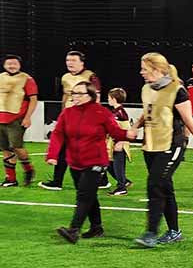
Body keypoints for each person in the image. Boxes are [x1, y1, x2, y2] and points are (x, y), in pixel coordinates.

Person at [126, 52, 193, 248]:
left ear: (157, 69)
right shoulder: (146, 89)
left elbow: (189, 120)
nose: (141, 72)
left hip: (172, 145)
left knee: (155, 184)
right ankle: (174, 231)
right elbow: (146, 113)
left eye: (145, 69)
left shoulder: (178, 90)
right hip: (150, 146)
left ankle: (150, 232)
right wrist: (134, 127)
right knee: (165, 188)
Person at [45, 81, 130, 243]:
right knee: (89, 195)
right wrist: (53, 154)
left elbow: (115, 131)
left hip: (96, 161)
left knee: (83, 195)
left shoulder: (101, 112)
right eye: (73, 93)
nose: (74, 97)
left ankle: (73, 230)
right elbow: (58, 134)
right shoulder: (67, 113)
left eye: (79, 94)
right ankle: (97, 228)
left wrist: (129, 135)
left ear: (90, 96)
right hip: (75, 162)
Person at [41, 50, 103, 191]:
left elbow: (97, 98)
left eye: (73, 60)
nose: (70, 63)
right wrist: (62, 114)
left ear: (82, 62)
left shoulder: (90, 76)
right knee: (63, 149)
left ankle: (103, 179)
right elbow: (65, 95)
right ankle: (57, 181)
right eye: (68, 60)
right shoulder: (65, 77)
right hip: (69, 118)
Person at [0, 54, 38, 188]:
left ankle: (28, 170)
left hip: (16, 118)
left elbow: (33, 99)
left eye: (14, 63)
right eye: (9, 63)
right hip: (0, 118)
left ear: (19, 65)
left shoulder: (27, 79)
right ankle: (10, 179)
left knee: (17, 147)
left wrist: (28, 117)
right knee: (4, 148)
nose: (12, 66)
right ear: (4, 65)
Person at [106, 88, 134, 196]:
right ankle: (124, 181)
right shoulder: (116, 111)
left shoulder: (120, 112)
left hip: (119, 144)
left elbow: (126, 129)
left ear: (113, 99)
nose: (108, 99)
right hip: (113, 142)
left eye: (109, 98)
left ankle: (121, 187)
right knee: (109, 164)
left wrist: (121, 142)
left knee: (118, 166)